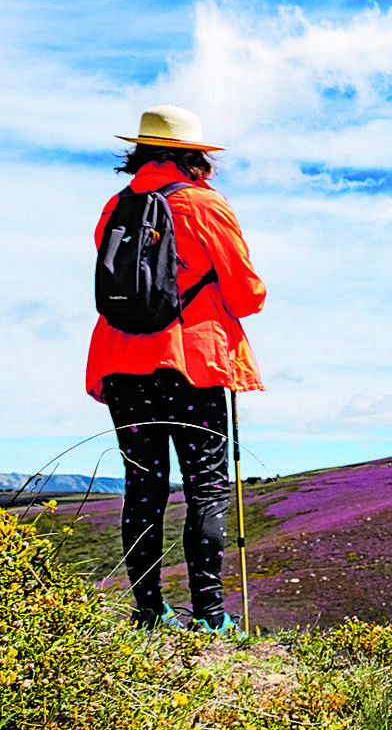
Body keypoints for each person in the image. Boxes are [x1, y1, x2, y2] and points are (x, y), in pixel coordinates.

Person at [86, 105, 266, 633]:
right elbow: (247, 293)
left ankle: (149, 612)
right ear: (195, 158)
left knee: (143, 488)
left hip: (121, 361)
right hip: (192, 361)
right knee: (206, 488)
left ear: (138, 154)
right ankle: (210, 616)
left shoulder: (115, 207)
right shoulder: (205, 205)